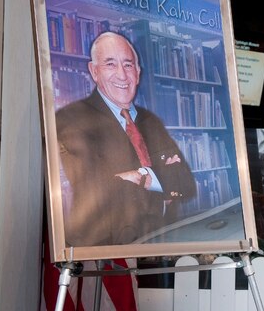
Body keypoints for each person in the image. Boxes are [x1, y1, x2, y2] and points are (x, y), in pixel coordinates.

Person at [56, 31, 197, 246]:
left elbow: (186, 185)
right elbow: (92, 191)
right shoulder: (70, 120)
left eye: (128, 65)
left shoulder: (152, 122)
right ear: (94, 71)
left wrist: (143, 178)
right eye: (110, 64)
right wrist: (162, 181)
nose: (122, 75)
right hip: (105, 254)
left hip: (160, 244)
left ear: (138, 73)